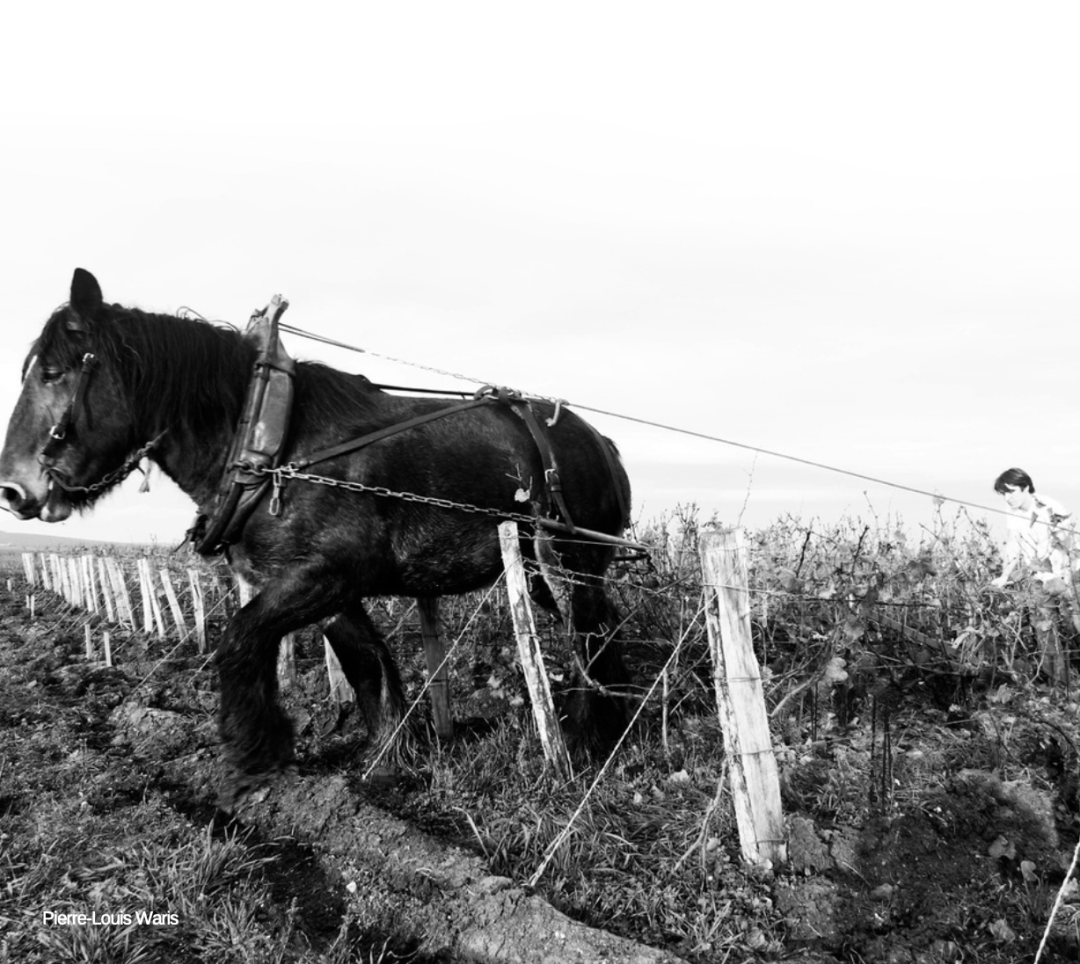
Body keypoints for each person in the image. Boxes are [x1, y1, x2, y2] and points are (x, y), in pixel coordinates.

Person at [990, 468, 1078, 589]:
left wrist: (1069, 582)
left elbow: (1067, 544)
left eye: (1011, 492)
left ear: (1026, 488)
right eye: (1004, 493)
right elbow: (1013, 542)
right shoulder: (1012, 508)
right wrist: (1004, 576)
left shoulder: (1049, 508)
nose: (1007, 498)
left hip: (1063, 576)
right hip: (1040, 577)